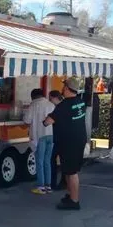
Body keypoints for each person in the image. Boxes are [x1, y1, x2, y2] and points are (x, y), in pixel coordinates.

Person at [43, 77, 87, 210]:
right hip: (78, 140)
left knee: (71, 172)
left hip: (69, 142)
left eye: (64, 87)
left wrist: (46, 119)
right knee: (68, 170)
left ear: (67, 88)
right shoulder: (80, 102)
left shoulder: (64, 105)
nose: (62, 89)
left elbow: (48, 122)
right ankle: (70, 195)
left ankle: (74, 201)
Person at [23, 88, 55, 194]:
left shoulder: (33, 105)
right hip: (51, 135)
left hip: (40, 136)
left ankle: (41, 186)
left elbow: (27, 121)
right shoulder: (51, 104)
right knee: (47, 161)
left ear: (33, 97)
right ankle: (48, 186)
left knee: (39, 162)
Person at [48, 90, 64, 190]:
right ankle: (63, 182)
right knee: (63, 161)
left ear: (54, 98)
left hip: (59, 138)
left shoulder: (59, 108)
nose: (50, 101)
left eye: (50, 98)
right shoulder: (64, 106)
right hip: (64, 138)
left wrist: (45, 121)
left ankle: (53, 183)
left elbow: (48, 121)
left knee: (52, 159)